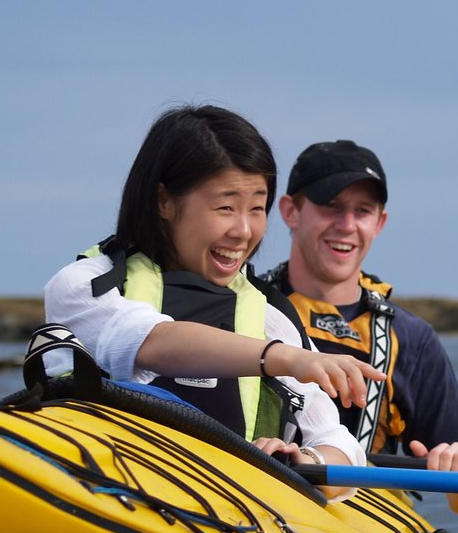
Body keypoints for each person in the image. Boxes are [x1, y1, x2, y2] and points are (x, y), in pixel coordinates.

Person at [43, 105, 381, 499]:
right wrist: (289, 358)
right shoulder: (88, 285)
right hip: (105, 492)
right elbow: (155, 343)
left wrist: (299, 461)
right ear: (164, 201)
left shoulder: (270, 318)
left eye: (257, 207)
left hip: (227, 519)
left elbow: (344, 448)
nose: (243, 230)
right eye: (225, 207)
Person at [263, 140, 458, 518]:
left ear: (379, 222)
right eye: (331, 206)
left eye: (362, 211)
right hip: (264, 501)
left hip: (366, 525)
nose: (347, 225)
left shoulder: (413, 339)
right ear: (291, 211)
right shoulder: (246, 308)